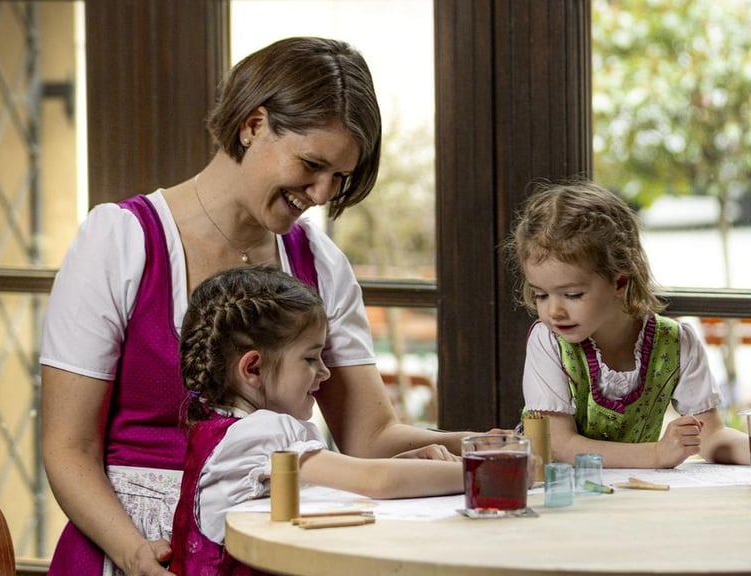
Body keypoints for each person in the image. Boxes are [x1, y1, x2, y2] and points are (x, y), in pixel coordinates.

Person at [40, 37, 474, 576]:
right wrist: (134, 553)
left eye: (338, 178)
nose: (320, 194)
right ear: (253, 125)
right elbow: (69, 446)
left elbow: (370, 438)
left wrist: (489, 445)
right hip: (132, 549)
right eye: (312, 164)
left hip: (263, 552)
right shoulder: (121, 241)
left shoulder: (319, 263)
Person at [167, 265, 463, 575]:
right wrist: (485, 473)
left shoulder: (220, 430)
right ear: (253, 368)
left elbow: (340, 482)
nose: (325, 372)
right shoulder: (260, 434)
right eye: (310, 358)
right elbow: (374, 480)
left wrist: (407, 462)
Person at [503, 180, 751, 469]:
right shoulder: (548, 343)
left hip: (630, 496)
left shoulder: (676, 343)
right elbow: (558, 444)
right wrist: (656, 455)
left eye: (572, 295)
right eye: (541, 295)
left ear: (619, 282)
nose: (553, 311)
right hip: (561, 498)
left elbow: (710, 436)